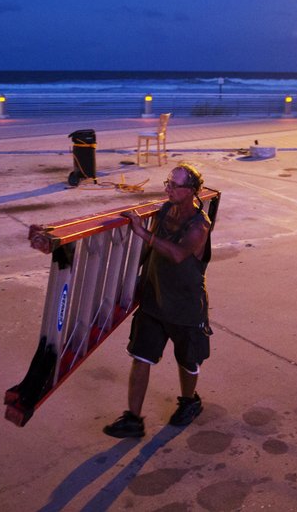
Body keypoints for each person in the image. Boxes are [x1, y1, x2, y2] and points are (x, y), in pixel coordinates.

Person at [105, 163, 213, 438]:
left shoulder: (200, 225)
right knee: (141, 357)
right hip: (154, 300)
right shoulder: (164, 211)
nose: (168, 188)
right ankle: (133, 419)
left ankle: (190, 402)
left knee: (187, 361)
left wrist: (144, 233)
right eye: (168, 182)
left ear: (191, 191)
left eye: (174, 185)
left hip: (185, 307)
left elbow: (178, 254)